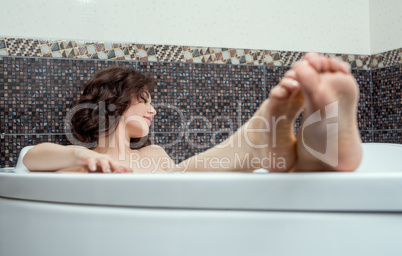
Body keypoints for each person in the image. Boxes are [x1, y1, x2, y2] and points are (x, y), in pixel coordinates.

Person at [23, 52, 362, 173]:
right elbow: (30, 159)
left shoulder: (154, 154)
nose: (153, 108)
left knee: (187, 173)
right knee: (183, 175)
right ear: (114, 102)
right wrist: (81, 159)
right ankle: (256, 142)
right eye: (144, 99)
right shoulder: (79, 161)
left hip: (170, 203)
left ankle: (305, 151)